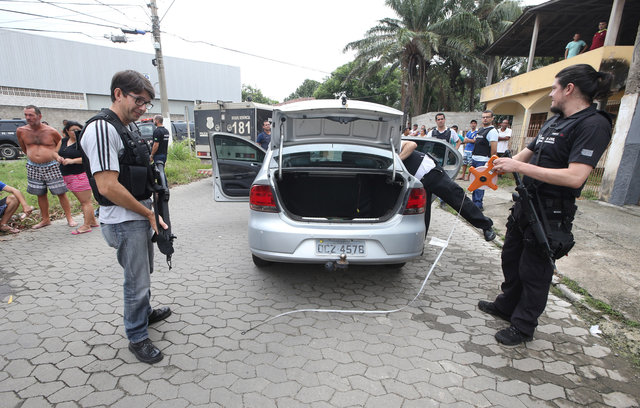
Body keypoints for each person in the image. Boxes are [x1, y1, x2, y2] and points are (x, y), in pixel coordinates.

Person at [479, 64, 613, 346]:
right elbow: (529, 152)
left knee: (535, 270)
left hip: (551, 211)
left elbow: (576, 177)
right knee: (511, 258)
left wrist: (518, 166)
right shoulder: (555, 120)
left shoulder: (593, 124)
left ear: (569, 89)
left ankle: (523, 325)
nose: (550, 94)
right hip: (526, 203)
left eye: (553, 88)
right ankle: (506, 305)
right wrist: (501, 165)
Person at [80, 70, 171, 364]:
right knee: (136, 280)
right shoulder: (102, 129)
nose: (143, 108)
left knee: (144, 274)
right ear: (118, 93)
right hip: (124, 219)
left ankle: (143, 313)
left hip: (138, 215)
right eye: (139, 100)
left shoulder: (125, 126)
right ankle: (137, 336)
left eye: (147, 103)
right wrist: (148, 214)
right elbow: (107, 185)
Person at [399, 140, 496, 241]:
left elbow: (412, 145)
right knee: (421, 215)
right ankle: (419, 244)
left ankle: (486, 226)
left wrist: (398, 160)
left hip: (432, 173)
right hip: (416, 185)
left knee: (458, 199)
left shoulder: (390, 143)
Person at [16, 105, 77, 229]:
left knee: (61, 192)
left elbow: (61, 145)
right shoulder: (21, 131)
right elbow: (23, 147)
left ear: (39, 116)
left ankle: (69, 218)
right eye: (26, 115)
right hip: (34, 167)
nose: (28, 118)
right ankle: (45, 219)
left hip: (52, 166)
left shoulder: (51, 131)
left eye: (31, 115)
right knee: (40, 193)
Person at [59, 121, 98, 235]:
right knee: (85, 201)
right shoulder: (63, 141)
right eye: (73, 130)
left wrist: (72, 161)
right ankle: (92, 221)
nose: (75, 132)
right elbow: (55, 152)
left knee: (85, 202)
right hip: (67, 175)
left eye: (78, 130)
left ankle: (86, 225)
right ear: (67, 131)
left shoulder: (83, 142)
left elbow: (89, 158)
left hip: (80, 174)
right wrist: (58, 158)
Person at [470, 110, 498, 210]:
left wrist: (489, 164)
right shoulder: (481, 130)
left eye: (487, 117)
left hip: (483, 161)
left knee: (480, 183)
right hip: (474, 159)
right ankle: (474, 203)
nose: (485, 119)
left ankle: (478, 205)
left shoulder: (492, 132)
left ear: (492, 118)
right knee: (474, 182)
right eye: (483, 117)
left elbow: (494, 151)